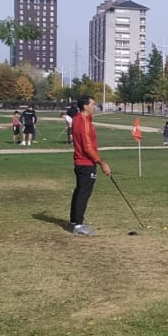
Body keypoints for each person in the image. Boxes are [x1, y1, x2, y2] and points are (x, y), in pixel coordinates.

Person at [69, 95, 112, 236]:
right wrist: (101, 163)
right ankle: (78, 225)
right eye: (93, 104)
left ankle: (74, 221)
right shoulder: (84, 121)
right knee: (83, 193)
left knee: (79, 191)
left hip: (80, 162)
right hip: (86, 163)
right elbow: (87, 147)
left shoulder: (78, 118)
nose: (95, 106)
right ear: (85, 106)